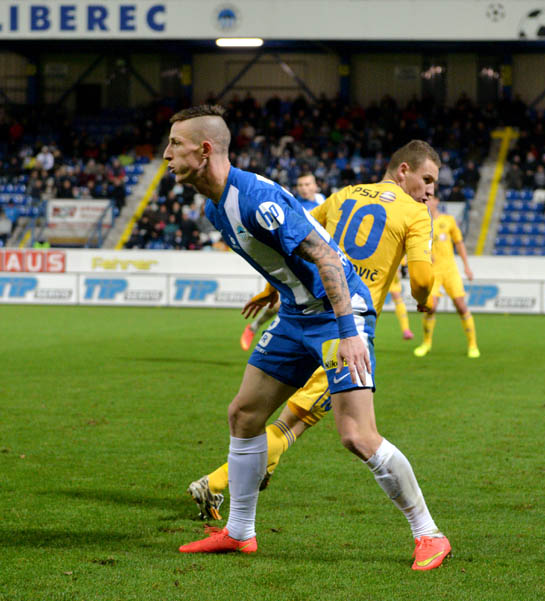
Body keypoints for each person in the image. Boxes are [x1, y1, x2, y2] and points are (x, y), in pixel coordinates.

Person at [165, 106, 449, 571]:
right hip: (297, 314)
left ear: (205, 150)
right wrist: (273, 291)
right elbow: (289, 250)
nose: (166, 154)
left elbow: (327, 257)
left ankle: (430, 534)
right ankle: (240, 532)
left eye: (175, 144)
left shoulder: (255, 199)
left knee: (356, 435)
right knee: (244, 414)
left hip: (339, 314)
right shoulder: (216, 205)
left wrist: (349, 332)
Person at [239, 172, 323, 351]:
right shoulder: (293, 205)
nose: (304, 188)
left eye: (308, 184)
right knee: (281, 304)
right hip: (295, 263)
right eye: (301, 185)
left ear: (316, 186)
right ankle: (256, 329)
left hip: (320, 261)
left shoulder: (324, 203)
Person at [414, 195, 480, 358]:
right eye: (426, 200)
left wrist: (466, 266)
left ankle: (473, 345)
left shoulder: (448, 220)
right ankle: (426, 343)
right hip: (432, 272)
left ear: (437, 201)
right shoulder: (420, 222)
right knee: (431, 307)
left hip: (450, 270)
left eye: (431, 199)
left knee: (461, 306)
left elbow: (459, 243)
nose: (428, 202)